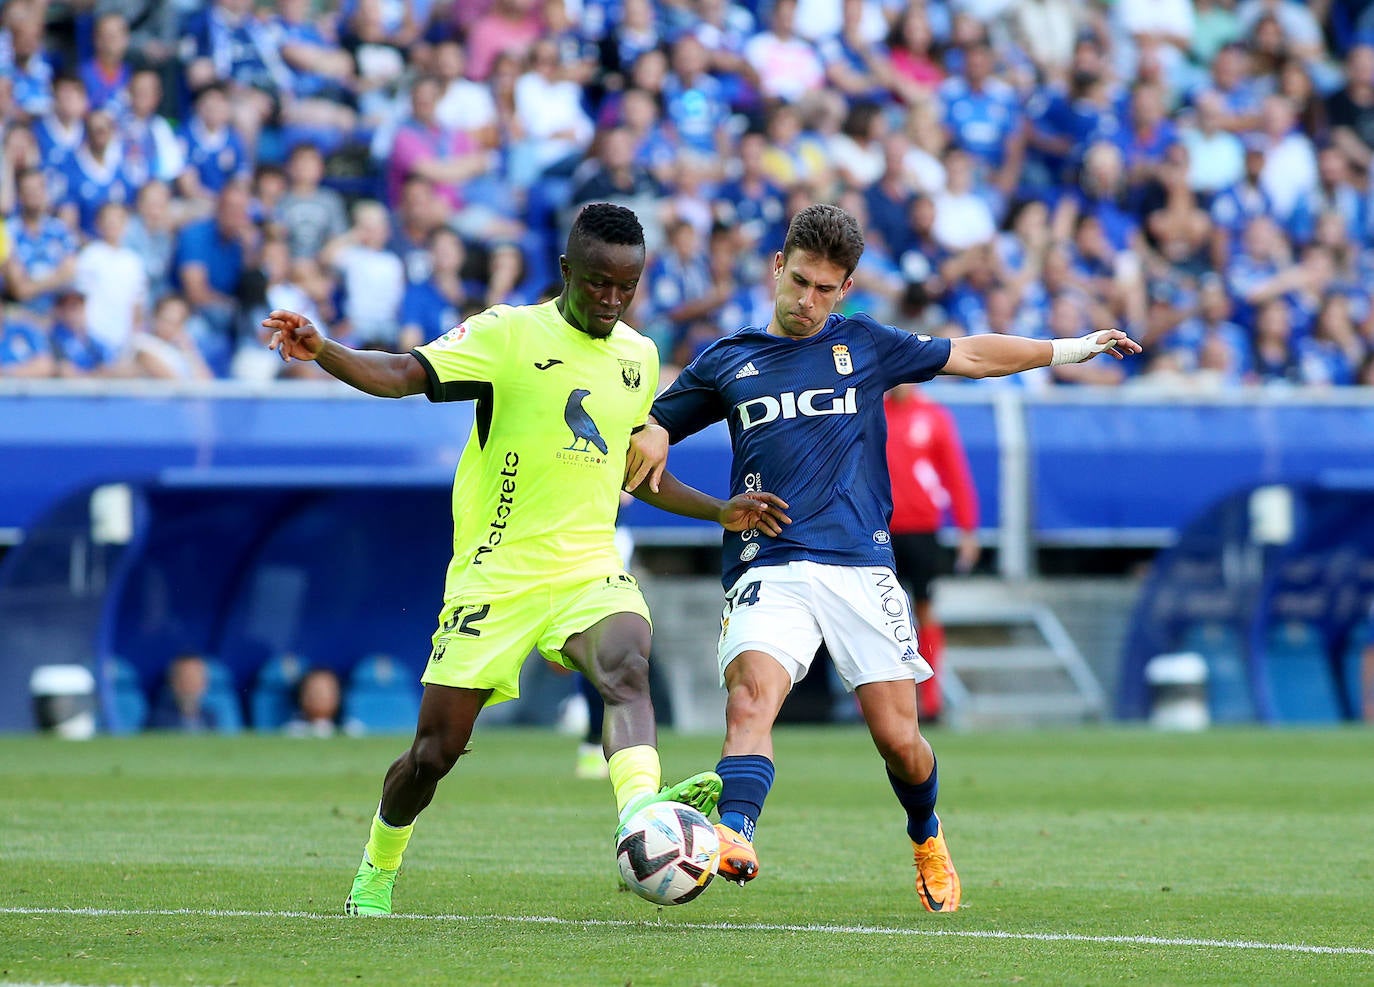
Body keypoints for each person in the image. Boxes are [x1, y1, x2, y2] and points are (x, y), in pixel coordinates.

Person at [262, 202, 789, 917]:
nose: (611, 299)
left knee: (627, 664)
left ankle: (641, 816)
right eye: (597, 282)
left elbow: (635, 472)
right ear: (567, 270)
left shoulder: (638, 356)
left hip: (586, 566)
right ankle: (375, 872)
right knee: (435, 752)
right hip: (496, 574)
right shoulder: (507, 333)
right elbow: (402, 373)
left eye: (626, 287)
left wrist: (718, 510)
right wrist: (324, 349)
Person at [626, 203, 1140, 912]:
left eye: (825, 290)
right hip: (767, 564)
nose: (808, 301)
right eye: (799, 282)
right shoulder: (726, 360)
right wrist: (664, 442)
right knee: (750, 701)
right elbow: (641, 458)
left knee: (900, 740)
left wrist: (1070, 348)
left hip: (861, 568)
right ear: (776, 267)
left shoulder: (865, 343)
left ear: (846, 289)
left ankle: (926, 833)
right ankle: (735, 831)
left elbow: (970, 354)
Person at [884, 384, 981, 726]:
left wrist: (967, 528)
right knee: (878, 615)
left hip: (922, 528)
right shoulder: (872, 412)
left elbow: (954, 473)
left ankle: (929, 701)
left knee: (924, 609)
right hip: (879, 527)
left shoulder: (933, 416)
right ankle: (879, 703)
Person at [149, 654, 222, 732]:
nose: (190, 684)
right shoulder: (159, 719)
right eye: (186, 678)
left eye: (196, 678)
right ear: (173, 682)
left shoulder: (210, 717)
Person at [285, 667, 363, 738]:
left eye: (326, 691)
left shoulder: (352, 730)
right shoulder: (292, 732)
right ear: (301, 696)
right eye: (314, 691)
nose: (319, 696)